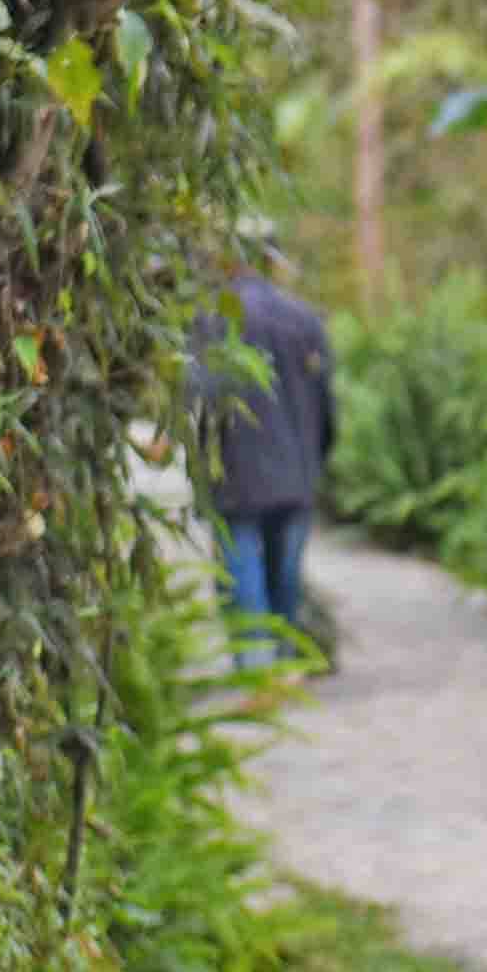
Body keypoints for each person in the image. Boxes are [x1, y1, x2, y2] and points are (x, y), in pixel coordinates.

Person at [183, 248, 335, 664]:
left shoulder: (213, 320)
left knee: (241, 572)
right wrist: (316, 462)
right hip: (297, 472)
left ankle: (256, 668)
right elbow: (327, 403)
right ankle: (286, 660)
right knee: (285, 575)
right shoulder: (304, 319)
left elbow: (196, 391)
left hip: (237, 473)